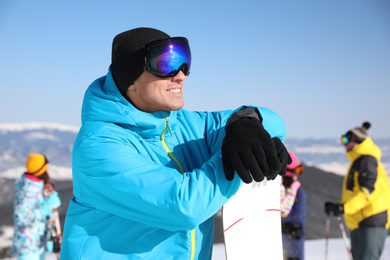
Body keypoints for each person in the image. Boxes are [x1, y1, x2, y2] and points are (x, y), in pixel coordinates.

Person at [60, 27, 291, 259]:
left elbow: (275, 123)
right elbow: (183, 206)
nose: (180, 74)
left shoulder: (187, 125)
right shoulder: (98, 145)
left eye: (184, 61)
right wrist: (231, 154)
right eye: (165, 64)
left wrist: (247, 123)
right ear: (130, 79)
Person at [324, 122, 390, 260]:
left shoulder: (367, 160)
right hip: (361, 222)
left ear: (357, 141)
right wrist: (339, 206)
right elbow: (354, 192)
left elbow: (367, 192)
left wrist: (344, 208)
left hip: (371, 221)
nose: (344, 144)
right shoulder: (360, 161)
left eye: (346, 140)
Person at [12, 153, 62, 260]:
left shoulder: (37, 186)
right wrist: (45, 208)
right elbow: (21, 218)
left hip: (37, 242)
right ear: (42, 169)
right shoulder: (27, 190)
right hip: (27, 246)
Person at [280, 151, 306, 260]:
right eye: (296, 171)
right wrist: (293, 189)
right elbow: (284, 210)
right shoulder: (281, 186)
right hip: (285, 244)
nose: (297, 177)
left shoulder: (297, 190)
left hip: (294, 245)